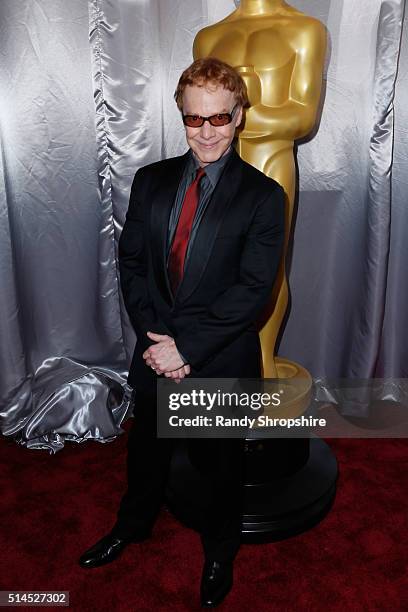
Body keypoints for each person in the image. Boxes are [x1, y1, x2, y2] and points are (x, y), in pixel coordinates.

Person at [79, 57, 285, 608]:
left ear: (239, 115)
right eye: (196, 120)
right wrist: (155, 341)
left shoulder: (265, 197)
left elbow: (252, 291)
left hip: (214, 359)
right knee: (144, 450)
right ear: (182, 117)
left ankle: (220, 552)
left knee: (221, 469)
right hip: (155, 353)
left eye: (220, 118)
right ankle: (134, 524)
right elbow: (132, 265)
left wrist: (187, 350)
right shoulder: (149, 181)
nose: (208, 132)